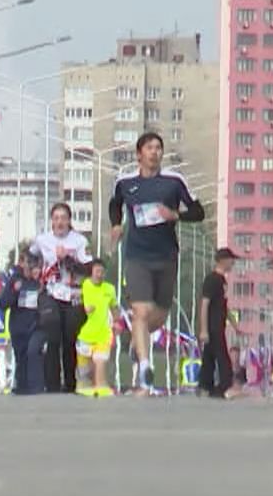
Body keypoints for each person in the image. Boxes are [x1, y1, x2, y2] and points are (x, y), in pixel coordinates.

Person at [108, 131, 205, 394]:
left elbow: (198, 212)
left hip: (166, 256)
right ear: (139, 154)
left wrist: (175, 215)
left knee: (159, 315)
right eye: (149, 148)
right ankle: (144, 369)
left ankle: (136, 342)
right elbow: (115, 204)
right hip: (137, 256)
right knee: (141, 311)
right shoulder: (125, 182)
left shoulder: (174, 181)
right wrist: (116, 225)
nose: (155, 152)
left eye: (158, 148)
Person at [29, 202, 92, 394]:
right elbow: (29, 255)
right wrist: (34, 269)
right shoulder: (43, 240)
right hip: (51, 292)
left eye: (63, 218)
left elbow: (88, 270)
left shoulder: (79, 241)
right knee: (52, 332)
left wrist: (67, 259)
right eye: (56, 218)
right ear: (51, 221)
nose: (59, 222)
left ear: (69, 221)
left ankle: (70, 383)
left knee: (70, 336)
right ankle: (52, 384)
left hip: (73, 295)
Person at [0, 252, 46, 395]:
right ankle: (22, 386)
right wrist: (14, 290)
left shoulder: (41, 280)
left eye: (33, 263)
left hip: (37, 325)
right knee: (21, 356)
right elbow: (3, 303)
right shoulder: (15, 280)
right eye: (28, 262)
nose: (30, 267)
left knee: (33, 351)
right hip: (18, 326)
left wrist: (42, 289)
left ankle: (36, 386)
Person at [196, 247, 237, 399]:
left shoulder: (222, 281)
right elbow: (204, 304)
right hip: (212, 326)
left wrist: (234, 324)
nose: (233, 263)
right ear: (223, 261)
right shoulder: (212, 279)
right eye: (231, 260)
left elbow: (223, 306)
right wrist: (203, 330)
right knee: (222, 357)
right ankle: (226, 387)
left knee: (209, 357)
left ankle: (205, 386)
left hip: (219, 325)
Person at [76, 258, 120, 397]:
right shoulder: (86, 284)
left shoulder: (109, 289)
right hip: (86, 333)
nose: (99, 274)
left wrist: (117, 322)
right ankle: (86, 387)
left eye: (102, 271)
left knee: (100, 361)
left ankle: (101, 386)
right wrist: (87, 308)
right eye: (97, 271)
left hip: (103, 333)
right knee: (84, 371)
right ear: (92, 272)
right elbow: (86, 305)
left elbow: (114, 307)